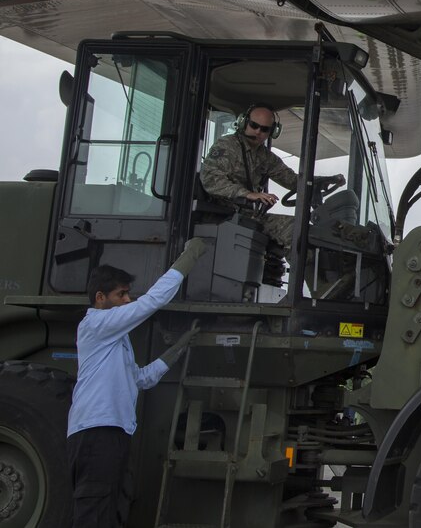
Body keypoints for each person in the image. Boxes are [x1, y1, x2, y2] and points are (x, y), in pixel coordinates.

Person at [67, 238, 207, 527]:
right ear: (100, 298)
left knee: (114, 507)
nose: (127, 300)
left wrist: (176, 350)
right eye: (121, 295)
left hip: (113, 432)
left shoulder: (115, 339)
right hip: (96, 432)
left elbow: (141, 379)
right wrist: (188, 259)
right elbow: (152, 302)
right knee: (94, 509)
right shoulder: (95, 325)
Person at [200, 104, 343, 248]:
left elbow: (292, 180)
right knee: (293, 230)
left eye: (264, 129)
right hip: (223, 215)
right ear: (244, 122)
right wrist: (248, 194)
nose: (257, 132)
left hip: (249, 216)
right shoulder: (227, 146)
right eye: (254, 125)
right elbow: (210, 179)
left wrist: (322, 181)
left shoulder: (266, 157)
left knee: (302, 230)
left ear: (273, 131)